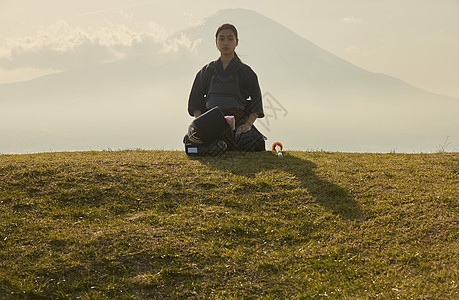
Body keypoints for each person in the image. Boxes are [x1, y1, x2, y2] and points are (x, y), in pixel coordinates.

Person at [185, 23, 266, 154]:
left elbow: (257, 103)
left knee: (251, 142)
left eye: (230, 39)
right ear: (216, 42)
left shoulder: (246, 72)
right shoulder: (207, 71)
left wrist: (247, 125)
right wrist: (201, 125)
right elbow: (196, 102)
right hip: (211, 125)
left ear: (237, 42)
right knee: (191, 143)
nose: (225, 43)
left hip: (238, 127)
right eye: (221, 39)